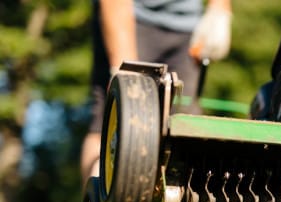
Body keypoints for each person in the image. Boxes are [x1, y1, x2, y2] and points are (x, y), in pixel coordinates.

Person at [80, 0, 232, 181]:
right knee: (111, 121)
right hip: (132, 18)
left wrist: (219, 8)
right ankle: (97, 200)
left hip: (188, 27)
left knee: (184, 123)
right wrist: (125, 71)